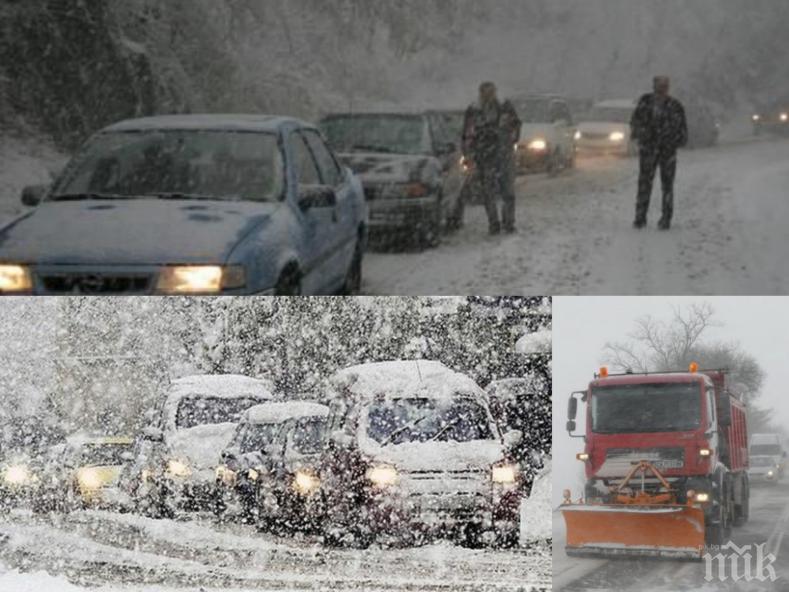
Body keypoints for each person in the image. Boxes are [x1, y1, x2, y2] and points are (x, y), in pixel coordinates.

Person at [462, 82, 522, 235]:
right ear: (480, 93)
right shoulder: (474, 110)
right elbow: (467, 134)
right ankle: (493, 223)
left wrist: (510, 139)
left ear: (495, 92)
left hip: (504, 154)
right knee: (489, 193)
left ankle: (508, 222)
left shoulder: (505, 107)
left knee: (507, 191)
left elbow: (516, 125)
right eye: (485, 92)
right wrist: (470, 152)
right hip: (485, 157)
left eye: (491, 92)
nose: (488, 95)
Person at [630, 76, 688, 230]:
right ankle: (640, 217)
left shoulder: (675, 106)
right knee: (644, 184)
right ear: (654, 86)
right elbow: (635, 122)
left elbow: (682, 132)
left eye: (665, 86)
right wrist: (643, 136)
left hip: (667, 152)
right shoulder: (645, 102)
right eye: (659, 85)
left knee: (667, 186)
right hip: (648, 150)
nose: (662, 88)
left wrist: (671, 142)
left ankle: (666, 219)